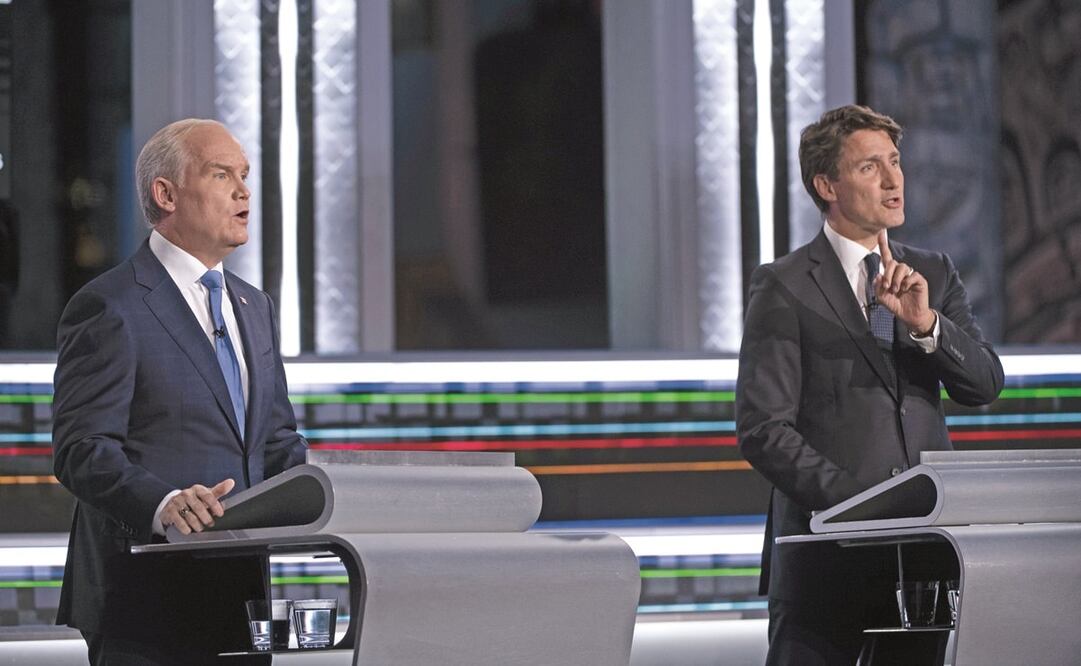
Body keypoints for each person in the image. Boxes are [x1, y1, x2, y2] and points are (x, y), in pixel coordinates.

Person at [736, 105, 1004, 665]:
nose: (893, 179)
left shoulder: (932, 272)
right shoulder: (784, 284)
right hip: (823, 559)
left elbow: (984, 384)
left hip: (923, 560)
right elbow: (763, 428)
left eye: (896, 161)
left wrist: (927, 327)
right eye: (869, 167)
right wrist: (859, 506)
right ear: (826, 184)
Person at [52, 119, 308, 665]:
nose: (243, 191)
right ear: (164, 194)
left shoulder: (254, 306)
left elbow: (277, 440)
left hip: (240, 601)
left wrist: (338, 490)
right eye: (221, 175)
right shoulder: (110, 305)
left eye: (244, 175)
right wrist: (164, 504)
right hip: (142, 605)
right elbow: (81, 450)